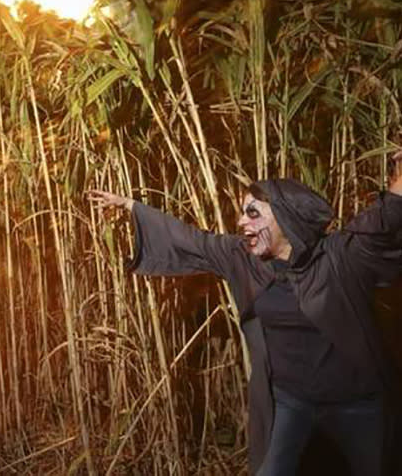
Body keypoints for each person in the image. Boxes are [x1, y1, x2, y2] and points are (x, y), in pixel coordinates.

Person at [88, 152, 402, 476]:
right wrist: (130, 206)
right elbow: (192, 240)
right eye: (242, 214)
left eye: (253, 214)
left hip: (355, 400)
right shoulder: (244, 259)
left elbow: (383, 222)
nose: (241, 223)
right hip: (290, 400)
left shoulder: (337, 257)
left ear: (285, 218)